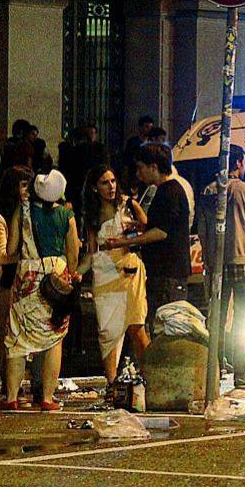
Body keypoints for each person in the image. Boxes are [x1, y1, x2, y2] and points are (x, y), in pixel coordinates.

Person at [2, 171, 80, 410]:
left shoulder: (22, 210)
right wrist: (70, 275)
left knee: (17, 338)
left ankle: (12, 398)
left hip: (28, 276)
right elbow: (73, 252)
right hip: (56, 275)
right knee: (54, 338)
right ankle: (47, 398)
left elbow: (11, 247)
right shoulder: (67, 215)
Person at [198, 145, 245, 385]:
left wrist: (207, 256)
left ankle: (215, 365)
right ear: (238, 163)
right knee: (244, 319)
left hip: (217, 264)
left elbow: (203, 230)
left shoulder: (209, 191)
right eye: (244, 162)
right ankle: (241, 373)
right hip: (244, 261)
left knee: (216, 316)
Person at [106, 143, 191, 325]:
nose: (138, 174)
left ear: (154, 167)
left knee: (165, 327)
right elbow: (159, 225)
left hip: (168, 274)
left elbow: (160, 232)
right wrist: (138, 226)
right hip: (162, 273)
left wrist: (121, 243)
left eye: (141, 168)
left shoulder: (170, 191)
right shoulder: (163, 190)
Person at [79, 164, 149, 384]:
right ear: (94, 188)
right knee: (108, 330)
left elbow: (149, 228)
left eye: (112, 181)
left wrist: (132, 231)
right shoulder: (91, 215)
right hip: (105, 273)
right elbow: (91, 252)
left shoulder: (129, 204)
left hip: (129, 270)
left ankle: (151, 377)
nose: (111, 186)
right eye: (104, 182)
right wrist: (77, 274)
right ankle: (112, 383)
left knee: (136, 325)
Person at [0, 166, 32, 397]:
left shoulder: (26, 212)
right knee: (7, 332)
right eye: (23, 185)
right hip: (5, 281)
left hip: (22, 280)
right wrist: (26, 255)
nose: (28, 190)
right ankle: (8, 384)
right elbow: (2, 255)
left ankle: (17, 383)